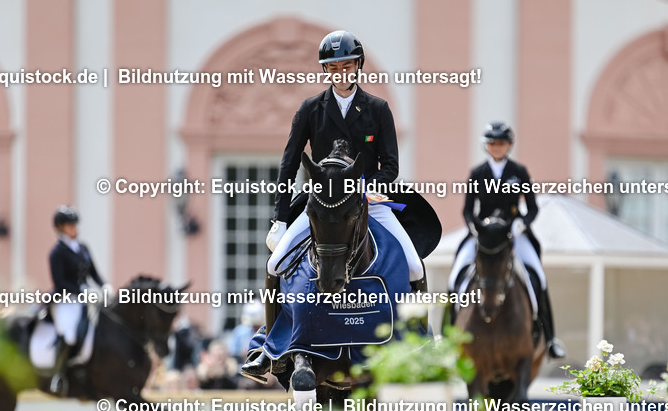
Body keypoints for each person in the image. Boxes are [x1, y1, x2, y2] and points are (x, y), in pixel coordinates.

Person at [241, 30, 425, 380]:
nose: (341, 72)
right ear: (327, 70)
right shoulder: (311, 109)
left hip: (369, 200)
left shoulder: (377, 109)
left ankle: (420, 342)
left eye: (347, 65)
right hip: (322, 204)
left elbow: (391, 165)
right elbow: (289, 163)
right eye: (333, 67)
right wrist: (279, 220)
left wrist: (369, 188)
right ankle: (269, 348)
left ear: (358, 66)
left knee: (415, 266)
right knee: (276, 263)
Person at [447, 122, 565, 359]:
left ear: (509, 145)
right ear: (486, 146)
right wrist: (473, 227)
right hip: (483, 235)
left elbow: (532, 208)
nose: (497, 147)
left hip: (513, 233)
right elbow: (469, 210)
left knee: (538, 278)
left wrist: (523, 223)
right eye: (492, 143)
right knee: (455, 276)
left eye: (501, 143)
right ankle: (448, 339)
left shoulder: (518, 172)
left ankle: (550, 339)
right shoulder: (477, 173)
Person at [48, 205, 107, 396]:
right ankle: (58, 376)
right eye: (69, 225)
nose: (73, 228)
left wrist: (104, 286)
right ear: (60, 227)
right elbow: (60, 283)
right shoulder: (57, 252)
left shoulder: (83, 248)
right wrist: (82, 292)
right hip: (66, 300)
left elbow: (94, 273)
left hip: (84, 298)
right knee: (70, 335)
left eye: (74, 224)